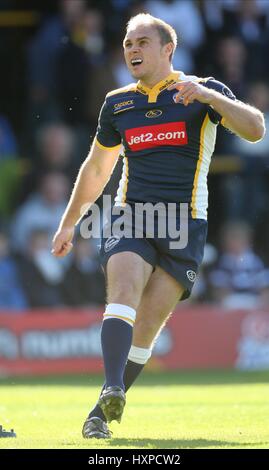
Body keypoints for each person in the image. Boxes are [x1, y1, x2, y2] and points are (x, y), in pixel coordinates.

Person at [51, 13, 265, 439]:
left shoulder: (200, 91)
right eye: (128, 42)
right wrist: (69, 222)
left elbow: (256, 129)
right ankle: (113, 385)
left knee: (147, 326)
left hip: (185, 225)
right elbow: (97, 169)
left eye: (143, 42)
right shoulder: (118, 102)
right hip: (132, 216)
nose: (132, 48)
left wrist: (209, 97)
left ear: (168, 49)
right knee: (125, 288)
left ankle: (101, 409)